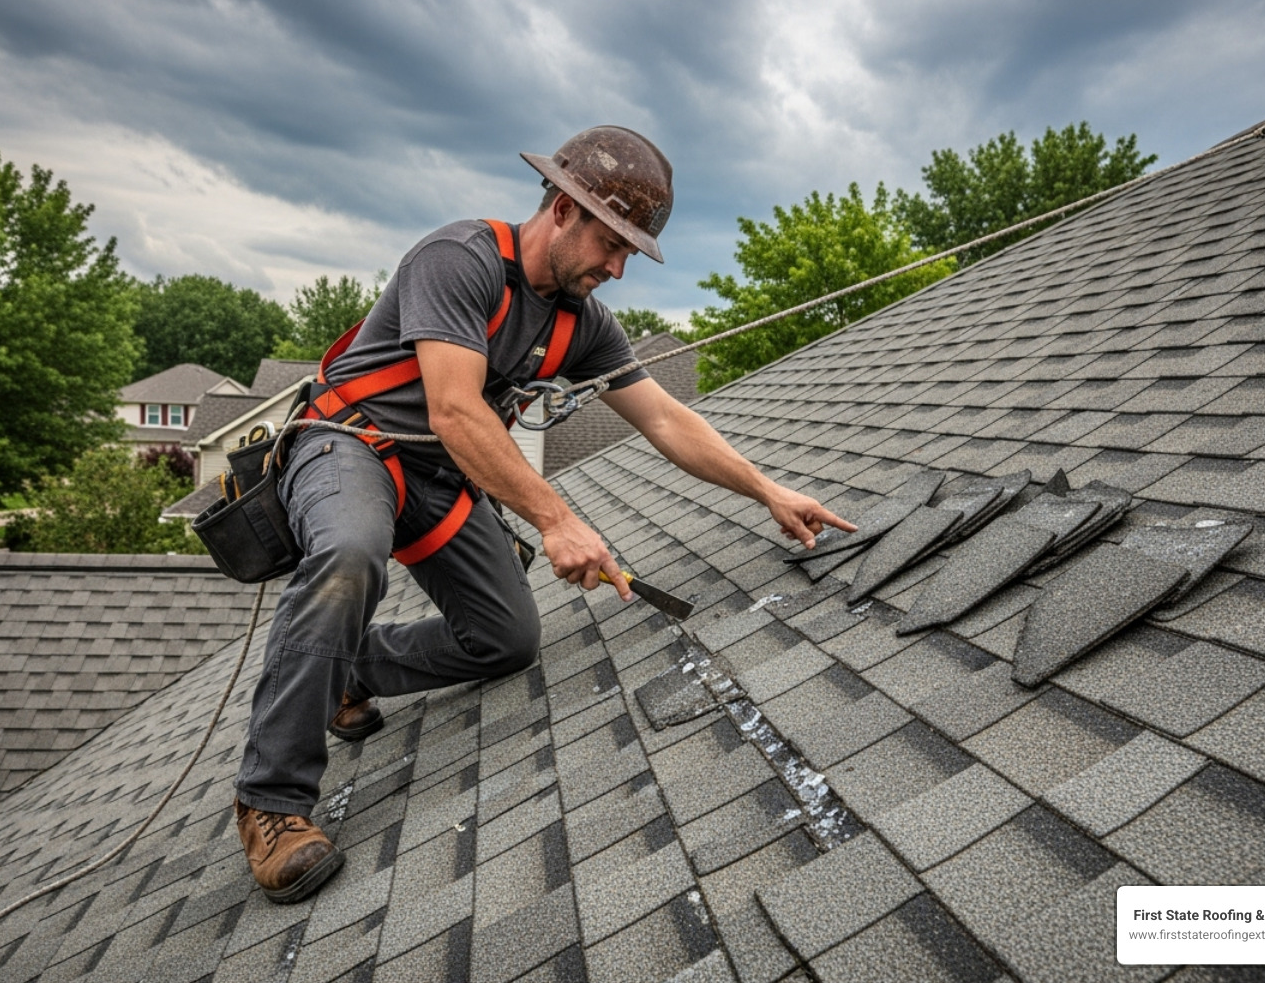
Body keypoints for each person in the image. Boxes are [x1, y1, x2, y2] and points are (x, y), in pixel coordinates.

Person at [232, 126, 855, 903]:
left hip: (437, 475)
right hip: (348, 443)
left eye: (631, 253)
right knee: (350, 552)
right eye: (611, 243)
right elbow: (456, 410)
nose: (617, 268)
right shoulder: (457, 260)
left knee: (507, 639)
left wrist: (769, 491)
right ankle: (271, 800)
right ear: (562, 209)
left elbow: (666, 420)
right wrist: (557, 521)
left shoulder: (582, 323)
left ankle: (343, 669)